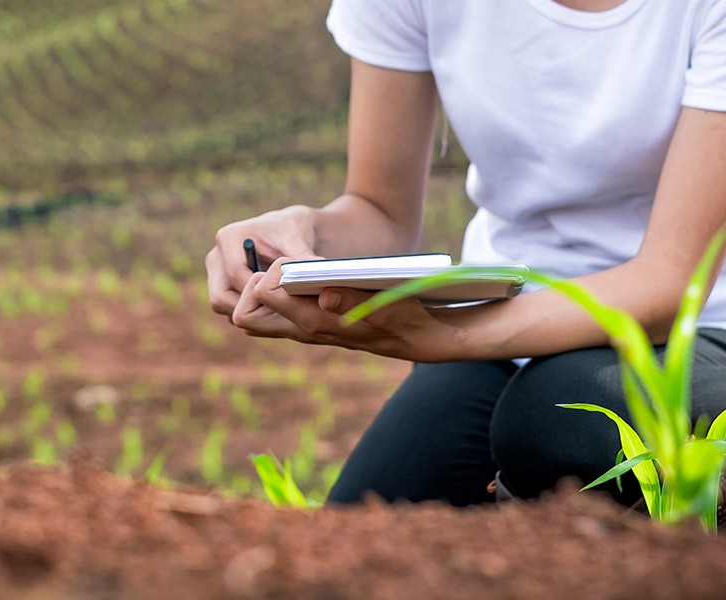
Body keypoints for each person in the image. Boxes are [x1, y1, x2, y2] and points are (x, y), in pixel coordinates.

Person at [206, 0, 726, 507]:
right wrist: (305, 234)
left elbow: (669, 285)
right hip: (508, 323)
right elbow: (379, 212)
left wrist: (446, 334)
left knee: (555, 418)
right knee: (369, 524)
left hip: (701, 325)